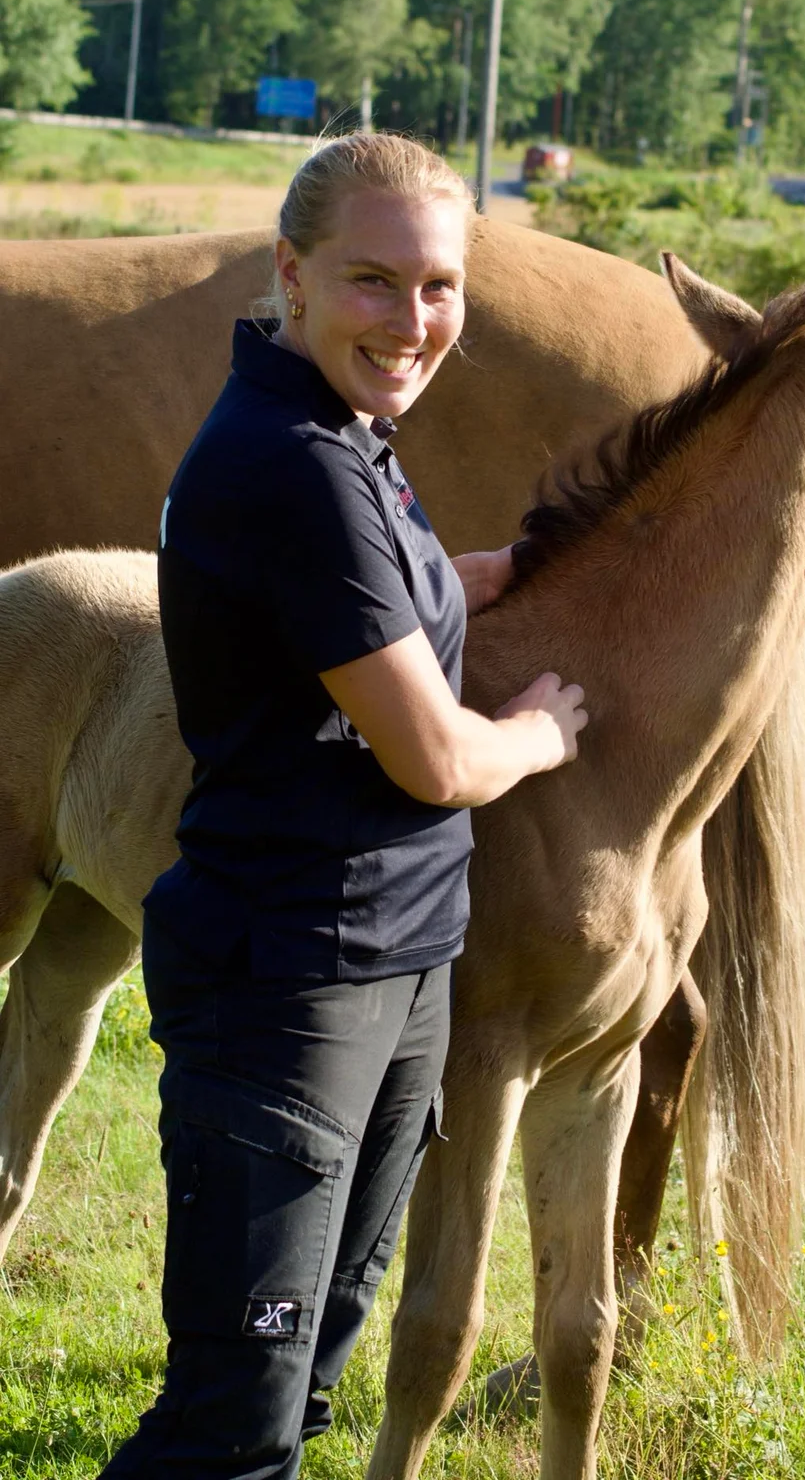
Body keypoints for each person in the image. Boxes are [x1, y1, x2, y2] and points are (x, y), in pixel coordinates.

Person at [100, 132, 587, 1478]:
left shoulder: (345, 433)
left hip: (393, 962)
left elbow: (362, 596)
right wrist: (540, 732)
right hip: (292, 985)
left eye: (440, 286)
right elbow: (435, 761)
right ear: (291, 272)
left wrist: (487, 573)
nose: (413, 319)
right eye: (375, 280)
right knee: (232, 1422)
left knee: (303, 1372)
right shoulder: (293, 464)